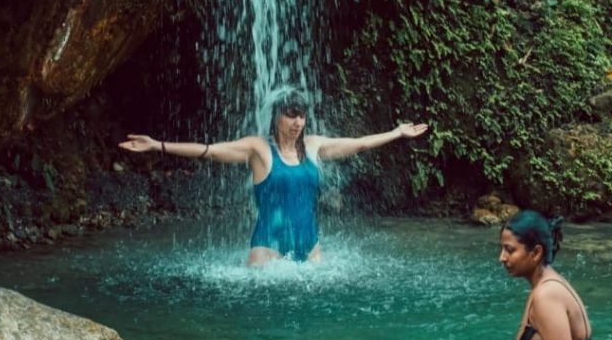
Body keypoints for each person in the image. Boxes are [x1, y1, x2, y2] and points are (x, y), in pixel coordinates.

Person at [119, 90, 428, 265]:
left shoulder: (314, 146)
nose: (297, 122)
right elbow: (210, 151)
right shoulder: (259, 150)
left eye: (301, 116)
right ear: (277, 116)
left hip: (311, 251)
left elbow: (359, 143)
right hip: (269, 250)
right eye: (290, 115)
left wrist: (397, 133)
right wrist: (156, 145)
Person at [499, 210, 596, 340]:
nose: (502, 258)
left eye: (510, 250)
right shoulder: (545, 284)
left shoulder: (546, 296)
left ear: (536, 253)